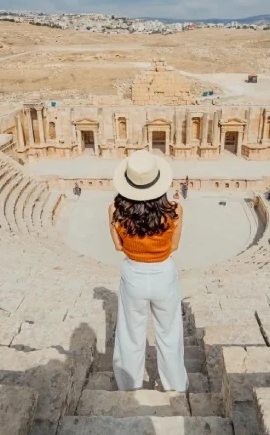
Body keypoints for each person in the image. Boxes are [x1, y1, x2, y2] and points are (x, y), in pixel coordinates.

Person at [109, 150, 188, 392]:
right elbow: (174, 246)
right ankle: (175, 386)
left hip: (133, 274)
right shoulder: (175, 211)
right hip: (164, 274)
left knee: (130, 333)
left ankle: (128, 386)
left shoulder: (115, 211)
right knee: (169, 333)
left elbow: (118, 246)